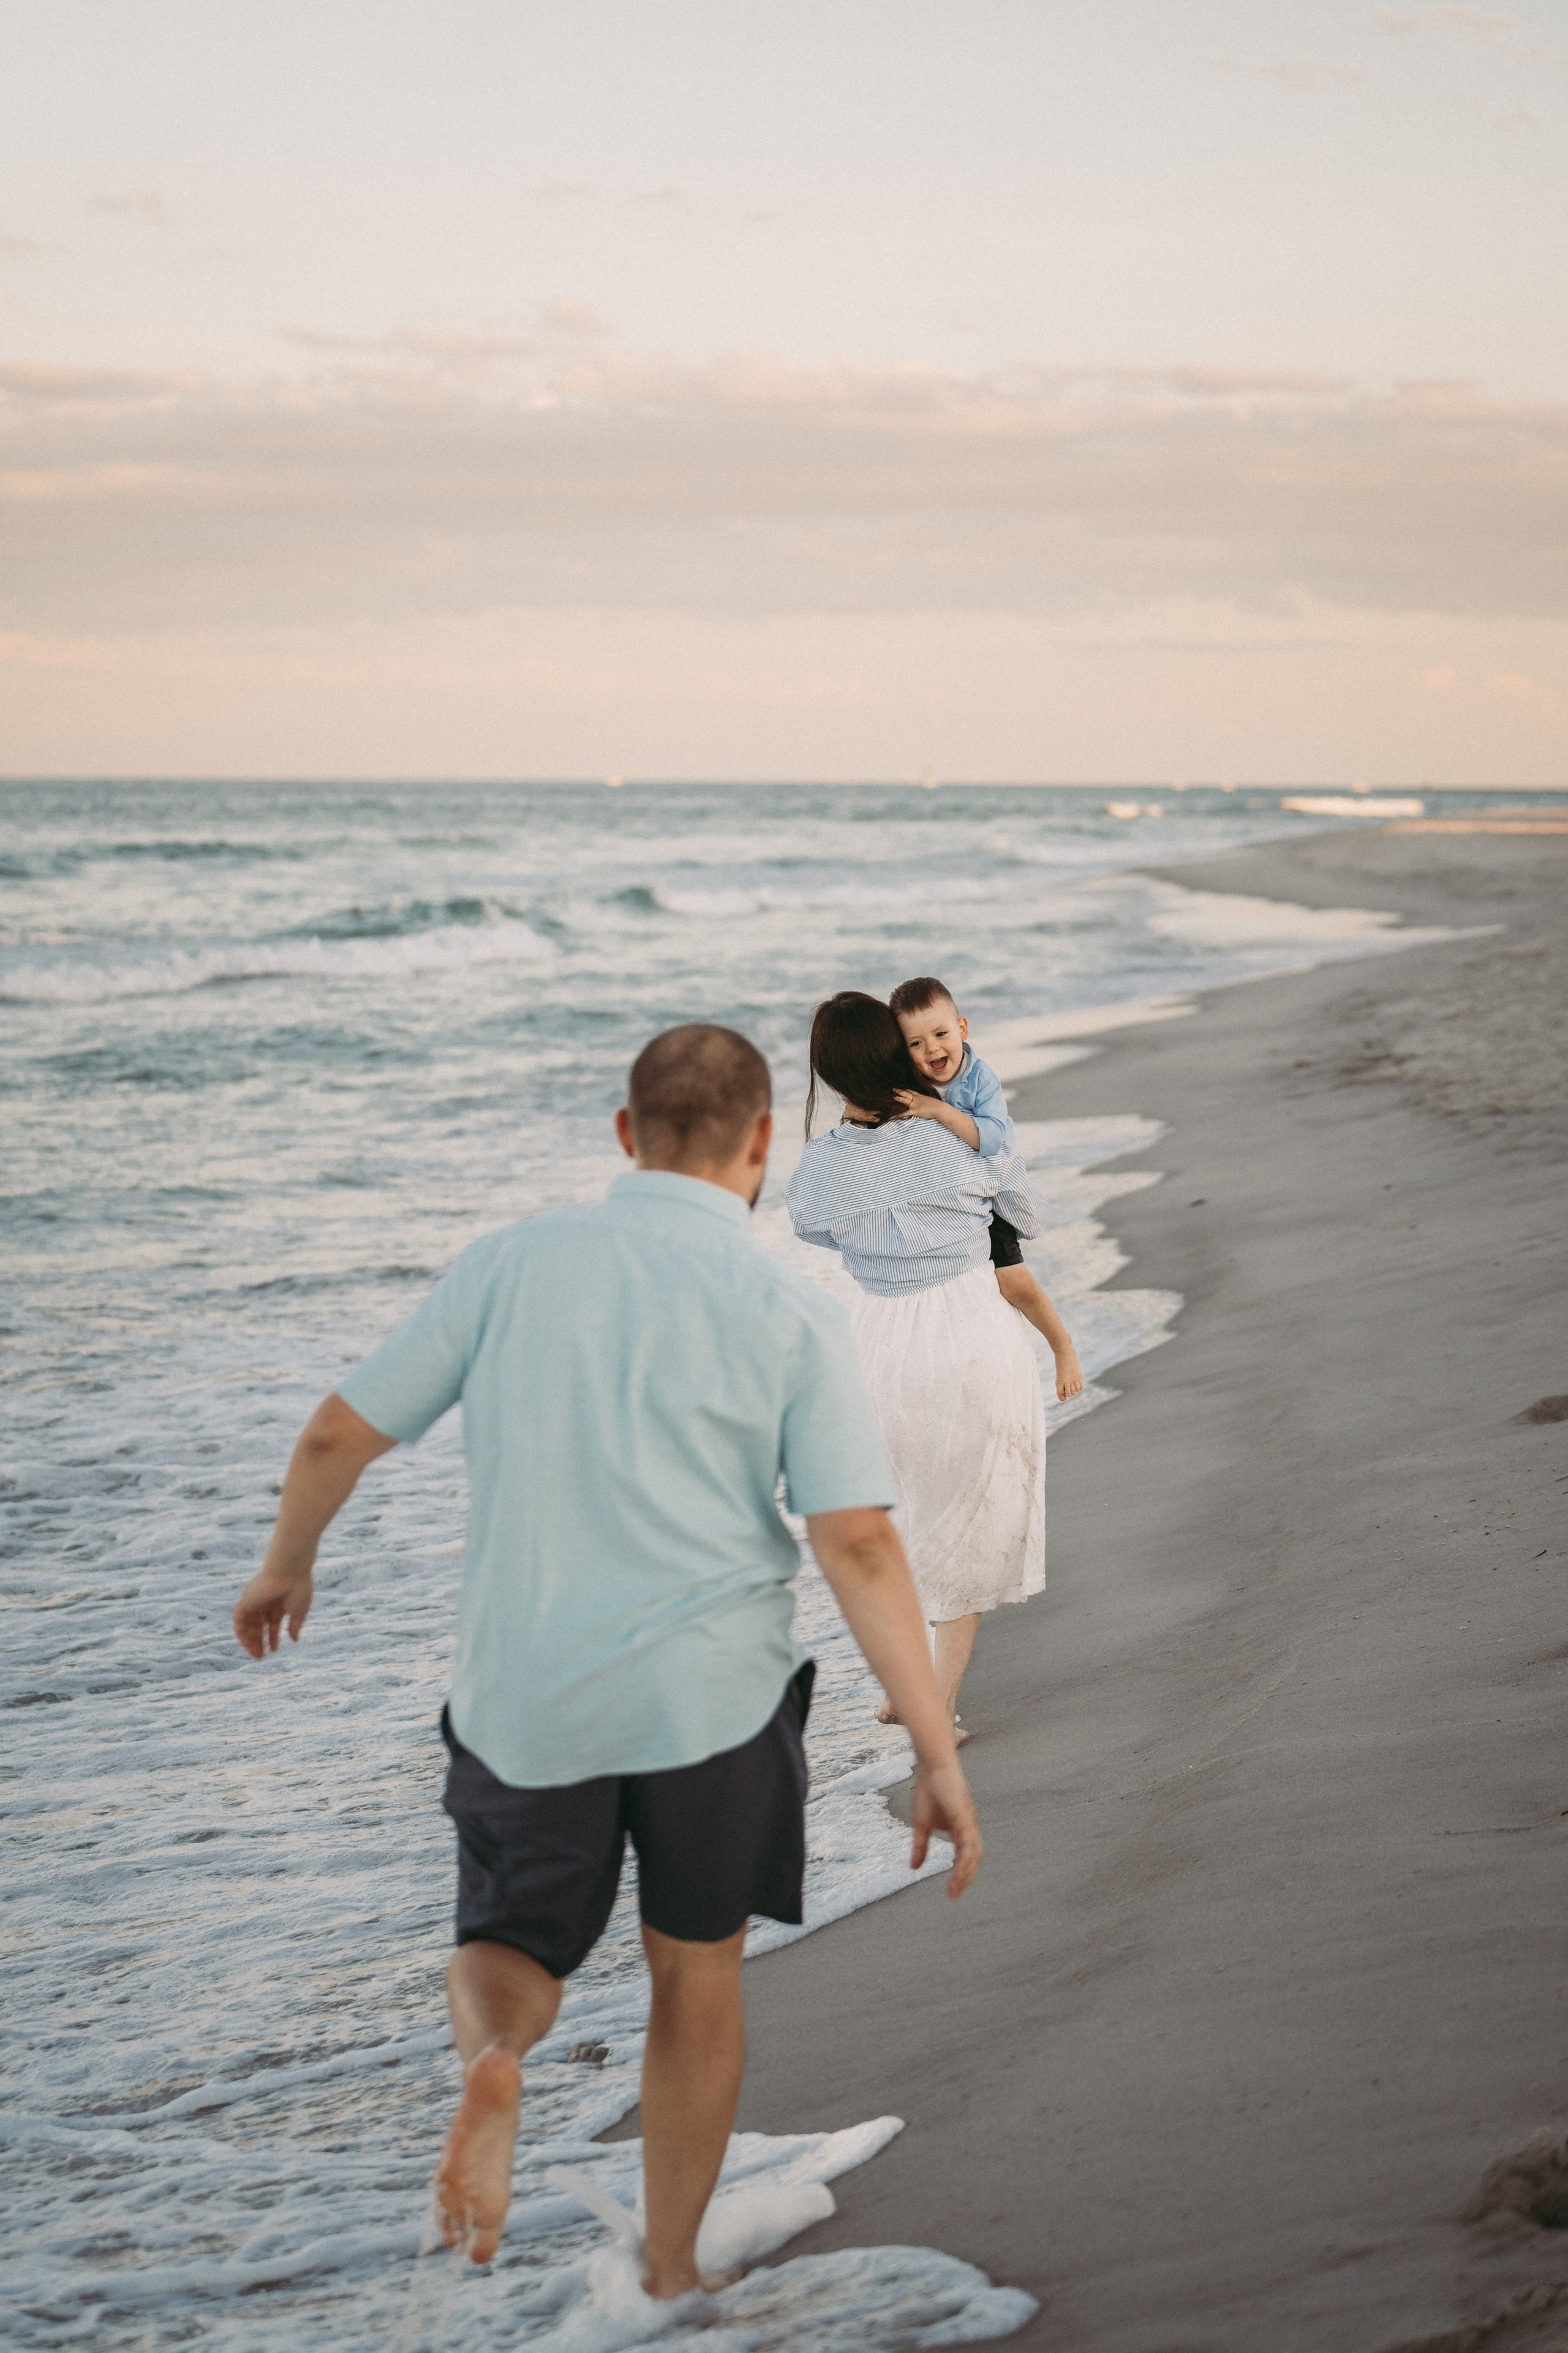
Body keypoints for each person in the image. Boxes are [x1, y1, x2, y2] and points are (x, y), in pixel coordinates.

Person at [232, 1024, 980, 2304]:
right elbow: (854, 1539)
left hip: (528, 1700)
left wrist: (286, 1564)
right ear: (758, 1149)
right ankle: (674, 2267)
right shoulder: (785, 1307)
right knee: (694, 1974)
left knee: (507, 1946)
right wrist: (927, 1740)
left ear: (625, 1137)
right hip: (714, 1702)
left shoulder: (508, 1265)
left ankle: (501, 2064)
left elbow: (332, 1437)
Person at [786, 992, 1069, 1739]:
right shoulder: (955, 1144)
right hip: (968, 1332)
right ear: (896, 1053)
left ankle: (908, 1686)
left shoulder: (815, 1170)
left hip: (875, 1346)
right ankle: (933, 1704)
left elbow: (818, 1230)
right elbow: (1028, 1216)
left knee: (903, 1519)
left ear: (826, 1071)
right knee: (968, 1522)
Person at [890, 975, 1083, 1406]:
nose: (932, 1050)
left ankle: (1061, 1345)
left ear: (962, 1028)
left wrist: (937, 1110)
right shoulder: (912, 1080)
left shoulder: (980, 1080)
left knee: (1012, 1280)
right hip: (946, 1198)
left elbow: (991, 1139)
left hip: (989, 1191)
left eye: (940, 1034)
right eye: (915, 1044)